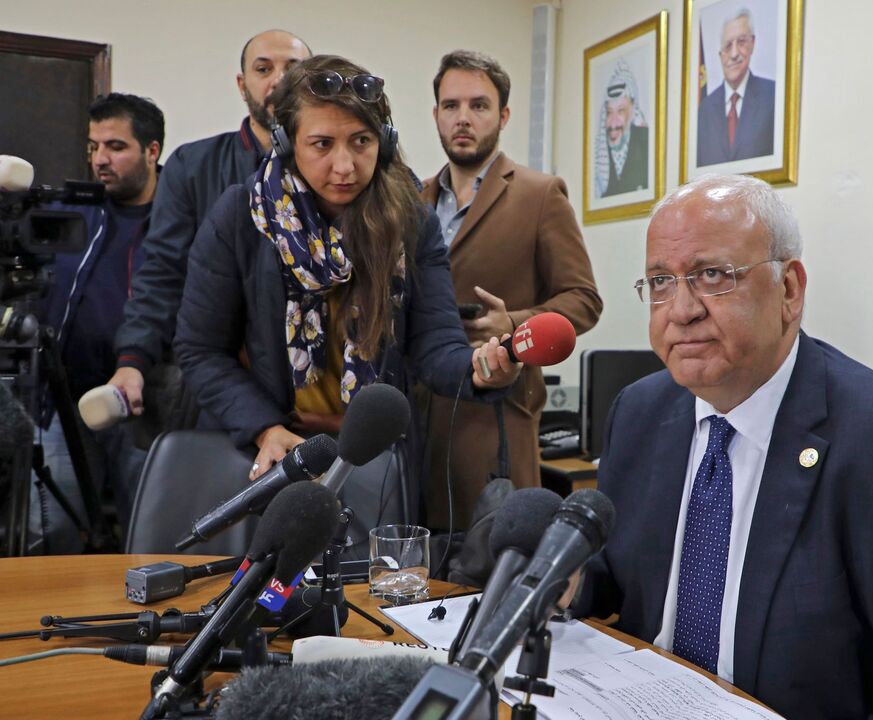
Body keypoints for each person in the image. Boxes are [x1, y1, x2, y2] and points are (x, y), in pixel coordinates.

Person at [575, 174, 873, 718]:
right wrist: (567, 579)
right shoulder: (640, 413)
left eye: (713, 275)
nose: (681, 309)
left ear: (789, 290)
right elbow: (622, 574)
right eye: (660, 281)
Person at [175, 55, 520, 541]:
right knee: (273, 600)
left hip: (375, 461)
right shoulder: (240, 217)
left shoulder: (411, 223)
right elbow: (201, 349)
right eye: (321, 144)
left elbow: (436, 347)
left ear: (385, 141)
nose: (345, 165)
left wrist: (483, 369)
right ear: (286, 143)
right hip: (272, 450)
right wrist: (265, 429)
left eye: (362, 142)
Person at [421, 50, 602, 528]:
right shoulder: (409, 200)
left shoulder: (539, 194)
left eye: (479, 106)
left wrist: (514, 325)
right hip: (417, 416)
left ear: (502, 115)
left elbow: (583, 300)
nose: (463, 118)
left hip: (496, 418)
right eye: (451, 105)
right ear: (435, 114)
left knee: (496, 565)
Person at [105, 30, 311, 440]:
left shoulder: (336, 171)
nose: (279, 80)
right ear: (242, 84)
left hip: (317, 394)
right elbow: (161, 274)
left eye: (293, 69)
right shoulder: (192, 166)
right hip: (214, 391)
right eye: (263, 68)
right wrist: (133, 360)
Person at [35, 93, 164, 547]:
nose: (100, 160)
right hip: (65, 397)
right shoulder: (77, 209)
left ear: (152, 150)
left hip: (146, 401)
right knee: (51, 527)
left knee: (147, 531)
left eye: (115, 147)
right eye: (93, 147)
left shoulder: (180, 215)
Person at [697, 8, 775, 166]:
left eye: (741, 42)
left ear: (752, 44)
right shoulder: (704, 109)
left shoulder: (773, 97)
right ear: (720, 55)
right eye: (727, 46)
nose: (734, 54)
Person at [593, 60, 649, 197]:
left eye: (621, 111)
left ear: (633, 110)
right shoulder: (599, 151)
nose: (613, 123)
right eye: (609, 112)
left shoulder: (645, 141)